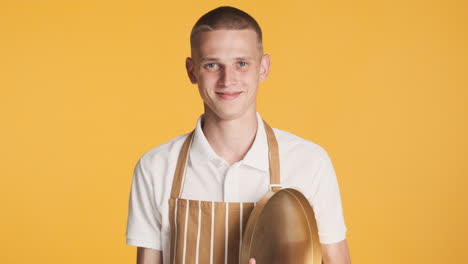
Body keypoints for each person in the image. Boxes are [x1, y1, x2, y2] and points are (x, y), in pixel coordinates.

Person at [126, 6, 351, 264]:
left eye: (242, 64)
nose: (227, 80)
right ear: (191, 71)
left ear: (263, 68)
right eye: (212, 65)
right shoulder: (155, 167)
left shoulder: (310, 162)